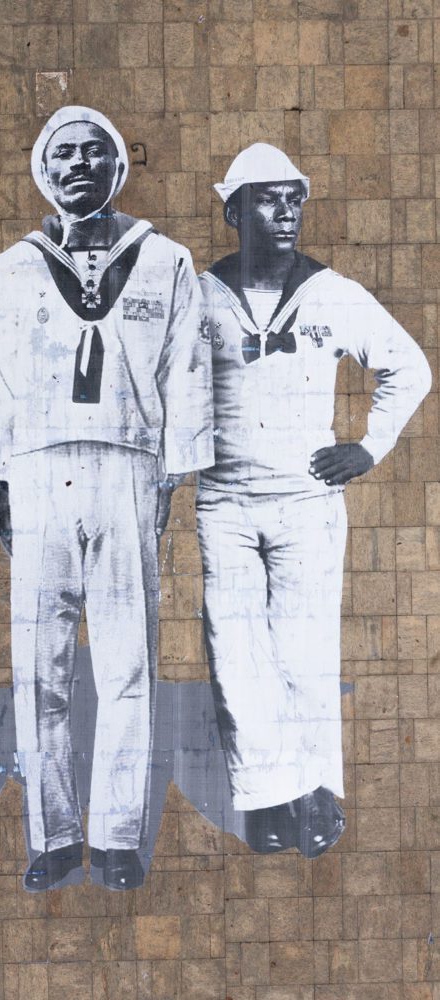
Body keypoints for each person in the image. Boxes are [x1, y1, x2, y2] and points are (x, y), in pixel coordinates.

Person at [0, 106, 213, 891]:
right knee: (40, 667)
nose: (79, 164)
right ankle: (53, 837)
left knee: (128, 661)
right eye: (63, 154)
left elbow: (187, 371)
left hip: (128, 465)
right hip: (36, 468)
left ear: (118, 167)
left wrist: (169, 478)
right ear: (44, 170)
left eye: (95, 152)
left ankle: (118, 838)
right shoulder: (12, 269)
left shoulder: (165, 259)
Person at [197, 143, 431, 857]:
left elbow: (409, 367)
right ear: (234, 211)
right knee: (236, 655)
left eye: (294, 199)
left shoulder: (332, 292)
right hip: (225, 500)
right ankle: (265, 799)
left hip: (305, 498)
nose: (286, 212)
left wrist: (370, 446)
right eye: (268, 199)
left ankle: (316, 790)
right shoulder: (199, 293)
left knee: (303, 649)